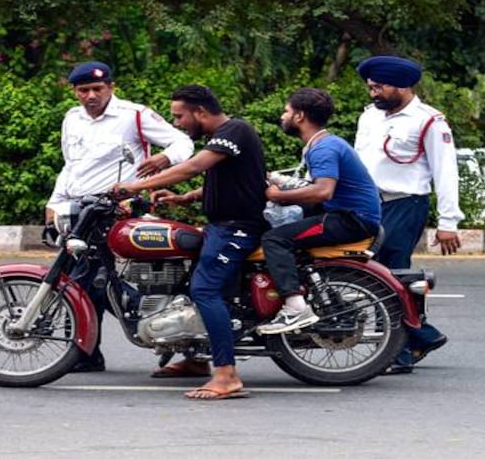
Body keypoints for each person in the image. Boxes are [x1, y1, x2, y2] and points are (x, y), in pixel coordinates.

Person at [113, 84, 268, 400]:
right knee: (186, 283)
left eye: (180, 116)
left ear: (200, 112)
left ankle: (226, 375)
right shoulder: (223, 137)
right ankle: (195, 359)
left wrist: (134, 186)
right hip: (220, 226)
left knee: (205, 289)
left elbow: (194, 167)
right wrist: (185, 199)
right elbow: (233, 180)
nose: (178, 124)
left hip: (236, 228)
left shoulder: (234, 130)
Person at [46, 61, 194, 373]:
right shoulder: (72, 119)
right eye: (83, 90)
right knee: (87, 281)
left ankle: (90, 351)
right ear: (74, 91)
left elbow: (183, 142)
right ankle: (95, 349)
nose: (90, 95)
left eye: (97, 89)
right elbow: (70, 165)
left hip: (117, 212)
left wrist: (164, 159)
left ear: (111, 87)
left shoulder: (134, 115)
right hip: (80, 212)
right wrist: (54, 202)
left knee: (89, 279)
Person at [354, 56, 459, 374]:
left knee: (391, 274)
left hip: (405, 203)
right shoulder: (370, 117)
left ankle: (400, 349)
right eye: (371, 88)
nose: (374, 94)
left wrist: (448, 222)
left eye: (380, 88)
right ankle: (421, 335)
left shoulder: (429, 121)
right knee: (371, 273)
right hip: (369, 204)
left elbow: (446, 170)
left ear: (402, 86)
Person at [256, 88, 382, 334]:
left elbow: (323, 191)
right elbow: (310, 186)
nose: (283, 116)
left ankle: (294, 307)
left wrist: (278, 195)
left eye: (286, 111)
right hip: (349, 214)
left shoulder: (323, 148)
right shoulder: (324, 143)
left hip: (351, 219)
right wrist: (275, 180)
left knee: (274, 239)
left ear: (299, 116)